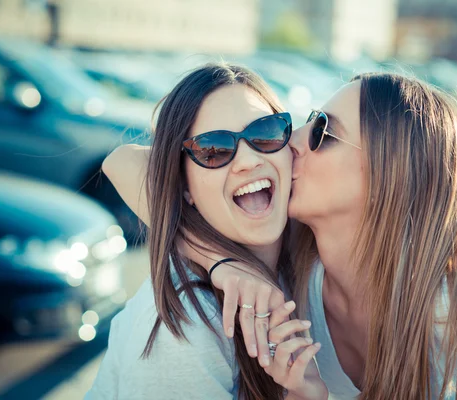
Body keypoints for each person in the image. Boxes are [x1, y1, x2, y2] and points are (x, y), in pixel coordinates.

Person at [105, 71, 457, 399]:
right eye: (305, 120)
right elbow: (127, 163)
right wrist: (221, 261)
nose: (292, 141)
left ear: (389, 175)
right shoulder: (291, 259)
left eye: (323, 133)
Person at [86, 63, 325, 400]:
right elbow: (119, 160)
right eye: (213, 151)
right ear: (184, 187)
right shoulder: (187, 328)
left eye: (266, 132)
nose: (247, 160)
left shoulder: (310, 256)